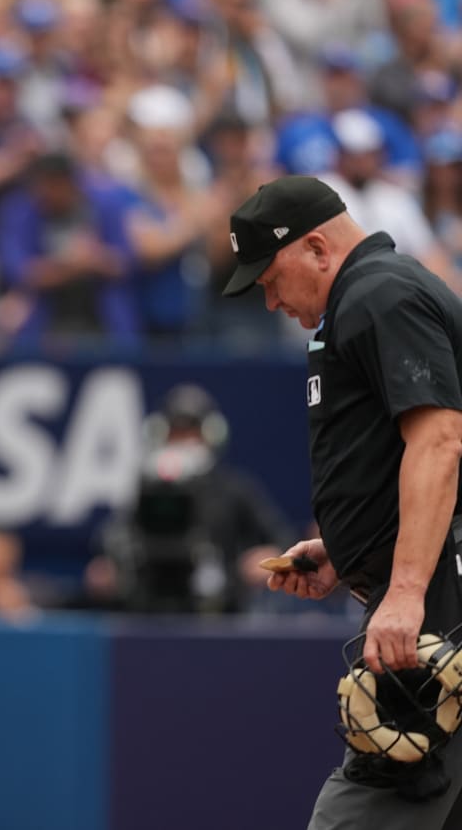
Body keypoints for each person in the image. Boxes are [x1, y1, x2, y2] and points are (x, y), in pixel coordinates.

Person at [222, 175, 462, 828]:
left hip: (436, 598)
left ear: (318, 249)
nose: (269, 300)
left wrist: (407, 588)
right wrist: (351, 546)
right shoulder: (368, 296)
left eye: (270, 277)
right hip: (430, 581)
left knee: (378, 796)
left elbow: (440, 439)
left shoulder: (381, 294)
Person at [83, 383, 293, 614]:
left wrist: (269, 557)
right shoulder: (147, 487)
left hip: (219, 611)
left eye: (191, 433)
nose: (183, 442)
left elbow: (282, 538)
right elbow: (112, 536)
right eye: (176, 433)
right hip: (147, 609)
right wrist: (108, 565)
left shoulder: (233, 489)